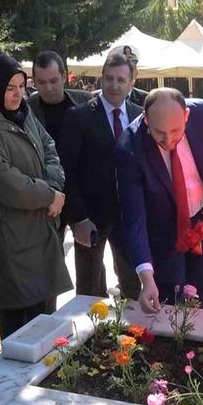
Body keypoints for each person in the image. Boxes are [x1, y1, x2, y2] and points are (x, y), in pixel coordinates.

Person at [0, 53, 72, 339]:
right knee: (18, 328)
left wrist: (55, 187)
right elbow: (4, 180)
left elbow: (48, 146)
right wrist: (49, 195)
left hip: (40, 228)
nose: (18, 94)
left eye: (22, 87)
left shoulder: (23, 111)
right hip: (11, 237)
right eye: (10, 88)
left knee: (44, 320)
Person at [115, 88, 203, 311]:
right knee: (170, 305)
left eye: (176, 131)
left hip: (202, 223)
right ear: (146, 120)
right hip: (163, 235)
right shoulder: (128, 148)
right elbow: (134, 217)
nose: (168, 140)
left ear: (186, 116)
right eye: (159, 133)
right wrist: (146, 278)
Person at [59, 53, 142, 298]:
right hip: (92, 218)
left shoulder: (141, 115)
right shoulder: (79, 116)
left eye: (120, 80)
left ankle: (134, 335)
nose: (114, 86)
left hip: (131, 215)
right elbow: (68, 172)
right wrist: (78, 218)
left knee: (135, 285)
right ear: (101, 79)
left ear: (131, 83)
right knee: (90, 289)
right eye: (108, 79)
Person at [28, 50, 93, 148]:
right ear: (34, 82)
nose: (48, 88)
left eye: (53, 81)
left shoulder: (85, 101)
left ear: (64, 77)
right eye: (42, 82)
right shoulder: (26, 110)